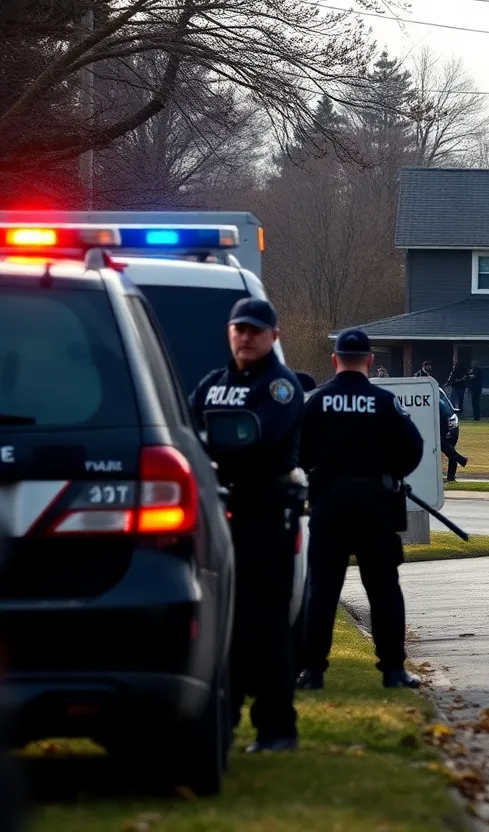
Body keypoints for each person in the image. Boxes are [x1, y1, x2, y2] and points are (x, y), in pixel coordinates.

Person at [190, 298, 305, 753]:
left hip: (265, 514)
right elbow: (186, 431)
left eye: (256, 330)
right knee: (225, 623)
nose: (246, 336)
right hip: (219, 513)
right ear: (229, 332)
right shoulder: (213, 383)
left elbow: (258, 439)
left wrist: (212, 445)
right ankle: (224, 719)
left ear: (273, 336)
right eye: (239, 328)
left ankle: (278, 729)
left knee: (269, 626)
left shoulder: (281, 386)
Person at [296, 329, 426, 691]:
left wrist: (317, 474)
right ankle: (393, 672)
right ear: (370, 360)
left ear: (334, 360)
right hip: (375, 506)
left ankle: (314, 673)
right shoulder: (384, 402)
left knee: (322, 588)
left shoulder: (317, 402)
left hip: (329, 504)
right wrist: (391, 473)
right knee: (384, 588)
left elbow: (299, 450)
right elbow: (413, 448)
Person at [439, 390, 468, 482]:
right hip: (441, 428)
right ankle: (460, 460)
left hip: (442, 428)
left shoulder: (440, 402)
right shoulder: (440, 402)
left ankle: (452, 475)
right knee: (449, 449)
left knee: (447, 448)